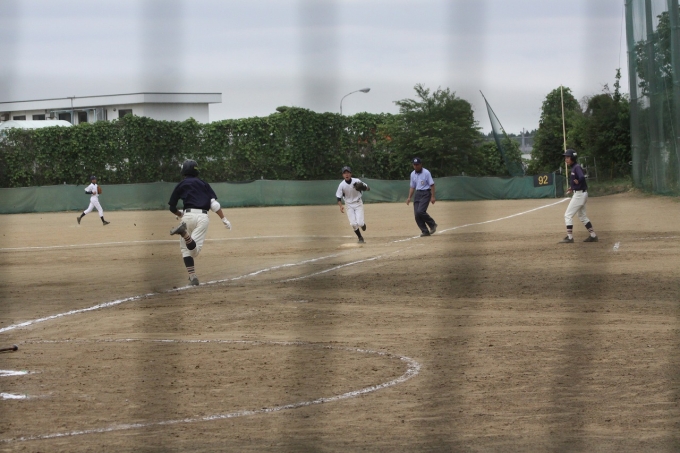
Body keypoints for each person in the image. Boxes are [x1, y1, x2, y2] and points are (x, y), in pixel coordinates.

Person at [168, 159, 231, 286]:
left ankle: (193, 277)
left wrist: (180, 214)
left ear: (183, 171)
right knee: (194, 251)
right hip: (202, 217)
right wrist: (224, 219)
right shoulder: (203, 184)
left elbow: (172, 207)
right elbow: (214, 205)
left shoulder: (181, 185)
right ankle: (184, 234)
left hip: (187, 217)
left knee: (185, 249)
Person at [559, 149, 598, 243]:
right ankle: (593, 236)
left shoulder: (576, 167)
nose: (566, 159)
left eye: (568, 157)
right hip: (581, 193)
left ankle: (570, 238)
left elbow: (581, 177)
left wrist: (578, 182)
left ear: (573, 157)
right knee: (582, 216)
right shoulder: (575, 167)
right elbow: (579, 179)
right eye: (565, 157)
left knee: (568, 215)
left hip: (579, 195)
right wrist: (573, 187)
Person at [336, 166, 369, 244]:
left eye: (348, 172)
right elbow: (338, 197)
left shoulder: (356, 181)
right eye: (344, 173)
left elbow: (368, 188)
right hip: (349, 205)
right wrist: (340, 206)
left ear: (351, 174)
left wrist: (363, 187)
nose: (346, 174)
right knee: (353, 223)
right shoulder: (342, 185)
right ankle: (360, 237)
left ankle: (363, 225)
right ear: (343, 175)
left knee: (360, 223)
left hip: (358, 203)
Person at [406, 158, 437, 237]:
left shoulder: (426, 172)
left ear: (421, 164)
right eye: (414, 165)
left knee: (420, 211)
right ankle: (425, 231)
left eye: (417, 164)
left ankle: (432, 224)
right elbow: (412, 186)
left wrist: (433, 196)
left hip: (426, 193)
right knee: (417, 214)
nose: (416, 166)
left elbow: (432, 185)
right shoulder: (412, 174)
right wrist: (409, 197)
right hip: (418, 194)